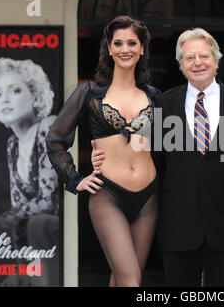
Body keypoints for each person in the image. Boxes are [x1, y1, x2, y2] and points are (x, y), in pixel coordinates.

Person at [92, 28, 224, 286]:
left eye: (204, 56)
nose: (197, 63)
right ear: (181, 65)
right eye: (189, 58)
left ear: (216, 60)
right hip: (178, 228)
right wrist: (102, 161)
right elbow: (146, 158)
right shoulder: (163, 105)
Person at [46, 15, 160, 287]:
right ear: (109, 48)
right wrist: (75, 179)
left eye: (132, 43)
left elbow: (166, 142)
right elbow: (55, 139)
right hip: (107, 193)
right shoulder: (90, 93)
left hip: (149, 197)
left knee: (123, 278)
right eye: (118, 43)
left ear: (142, 48)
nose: (125, 49)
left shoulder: (154, 95)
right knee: (130, 280)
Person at [0, 57, 60, 286]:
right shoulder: (13, 144)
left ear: (34, 95)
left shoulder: (48, 127)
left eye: (14, 91)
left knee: (38, 223)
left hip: (56, 231)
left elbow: (48, 201)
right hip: (34, 245)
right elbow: (18, 209)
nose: (4, 100)